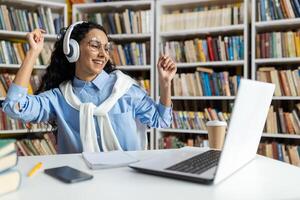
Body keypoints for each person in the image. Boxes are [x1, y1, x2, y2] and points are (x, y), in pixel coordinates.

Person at [2, 21, 177, 154]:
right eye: (95, 46)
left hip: (126, 183)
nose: (103, 54)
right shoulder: (60, 97)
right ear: (73, 49)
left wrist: (166, 84)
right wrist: (33, 52)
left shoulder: (125, 89)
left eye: (106, 48)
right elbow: (14, 107)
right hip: (79, 185)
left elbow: (161, 120)